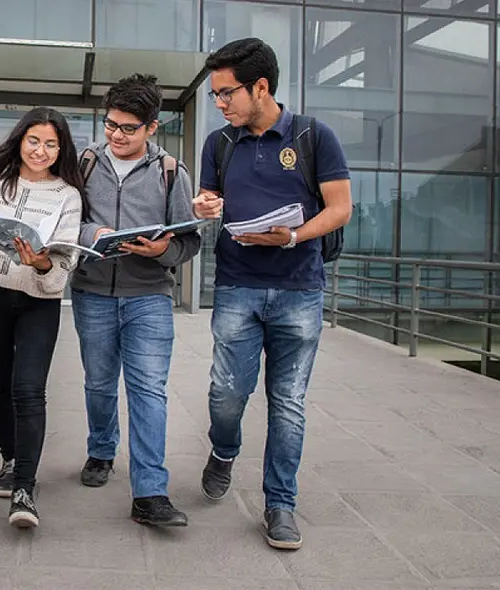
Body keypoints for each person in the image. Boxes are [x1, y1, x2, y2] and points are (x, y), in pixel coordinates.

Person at [192, 37, 352, 550]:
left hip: (299, 290)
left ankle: (280, 503)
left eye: (226, 93)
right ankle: (224, 448)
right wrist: (205, 205)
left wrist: (293, 235)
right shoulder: (219, 143)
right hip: (237, 285)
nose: (220, 104)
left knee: (288, 402)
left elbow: (340, 208)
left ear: (260, 87)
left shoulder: (312, 136)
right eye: (215, 95)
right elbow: (211, 198)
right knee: (226, 393)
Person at [71, 74, 202, 526]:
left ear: (152, 127)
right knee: (99, 383)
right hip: (92, 292)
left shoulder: (171, 172)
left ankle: (150, 492)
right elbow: (68, 220)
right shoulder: (85, 162)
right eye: (111, 125)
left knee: (148, 390)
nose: (117, 136)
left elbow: (189, 241)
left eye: (129, 128)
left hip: (149, 295)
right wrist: (94, 234)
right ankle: (101, 451)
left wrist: (162, 249)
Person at [0, 107, 85, 528]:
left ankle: (25, 488)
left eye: (51, 144)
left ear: (60, 149)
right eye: (34, 140)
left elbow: (62, 264)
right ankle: (10, 458)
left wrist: (39, 263)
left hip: (38, 301)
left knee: (28, 388)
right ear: (20, 139)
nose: (41, 150)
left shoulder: (69, 195)